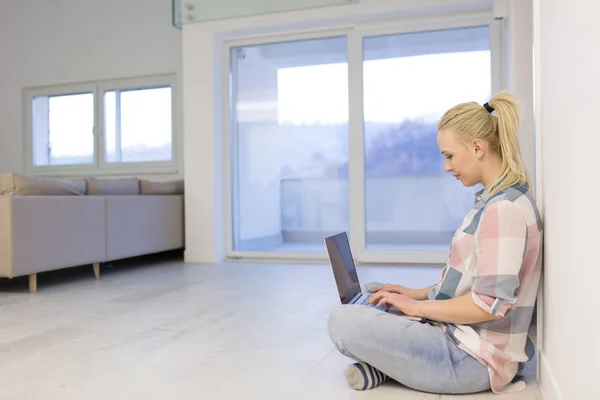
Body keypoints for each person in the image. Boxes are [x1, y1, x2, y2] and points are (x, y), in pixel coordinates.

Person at [327, 93, 543, 395]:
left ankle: (389, 366)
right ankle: (393, 365)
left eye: (450, 155)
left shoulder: (503, 210)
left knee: (342, 321)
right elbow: (469, 283)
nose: (446, 166)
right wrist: (412, 294)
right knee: (375, 293)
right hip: (460, 338)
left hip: (471, 360)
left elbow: (488, 305)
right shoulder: (496, 201)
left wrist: (417, 307)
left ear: (478, 147)